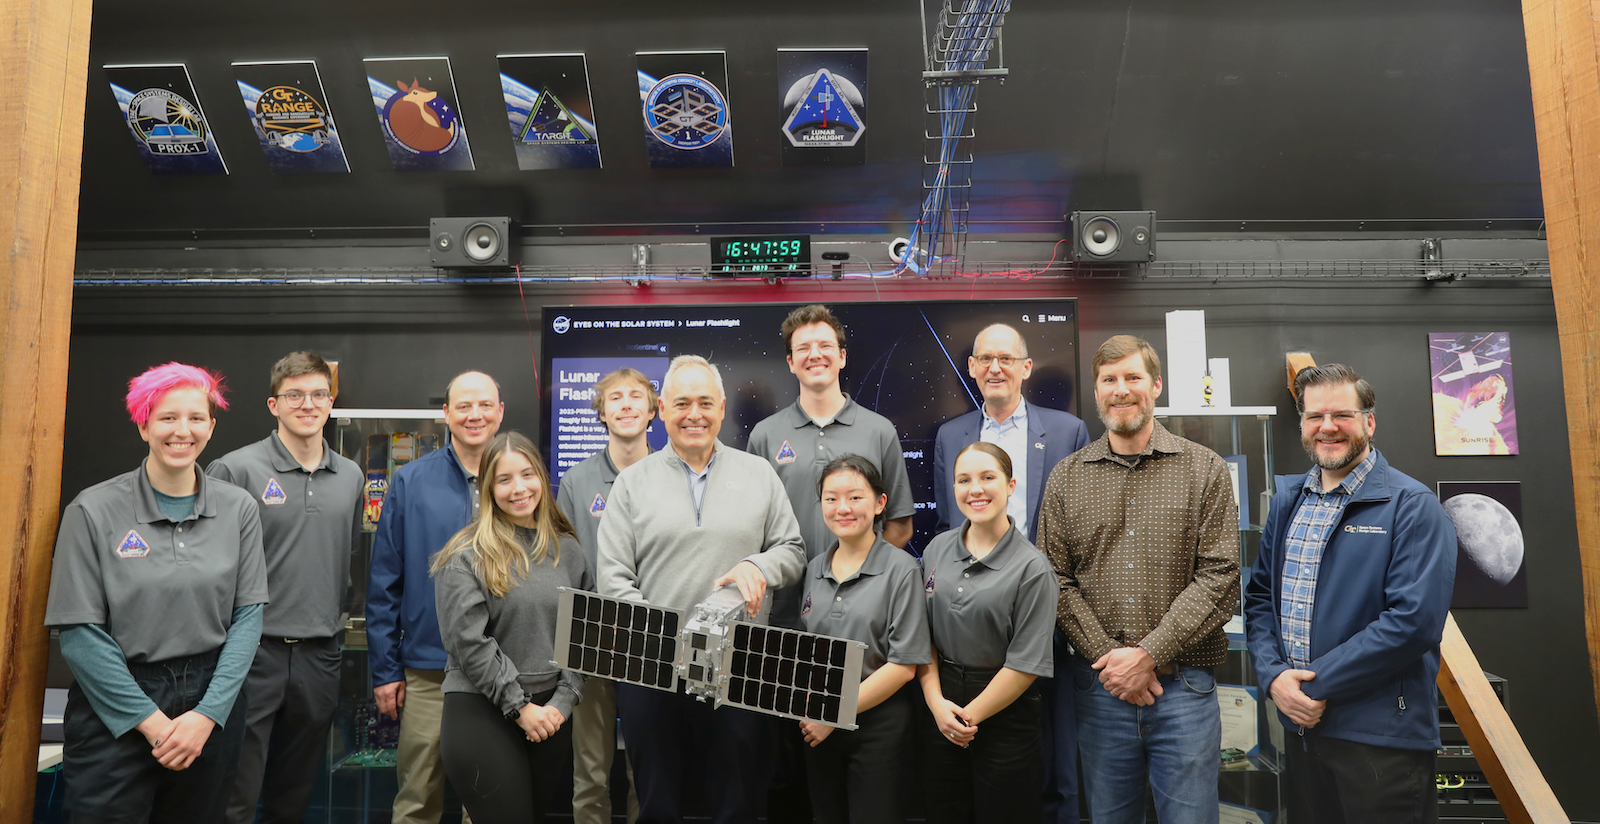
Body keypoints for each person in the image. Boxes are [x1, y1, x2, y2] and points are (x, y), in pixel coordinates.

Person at [45, 363, 268, 823]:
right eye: (167, 418)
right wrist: (153, 725)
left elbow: (248, 619)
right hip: (118, 703)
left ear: (211, 426)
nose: (182, 431)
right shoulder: (92, 509)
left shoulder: (238, 508)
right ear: (143, 423)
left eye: (196, 418)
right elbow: (79, 632)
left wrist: (206, 716)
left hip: (211, 702)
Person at [596, 354, 807, 824]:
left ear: (723, 407)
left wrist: (758, 564)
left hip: (740, 667)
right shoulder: (631, 484)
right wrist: (666, 639)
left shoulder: (760, 475)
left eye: (706, 402)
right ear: (663, 409)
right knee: (658, 804)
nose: (695, 413)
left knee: (738, 803)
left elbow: (792, 550)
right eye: (683, 402)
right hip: (652, 668)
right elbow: (613, 580)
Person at [1037, 334, 1239, 824]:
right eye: (1110, 380)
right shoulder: (1067, 476)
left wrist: (1148, 655)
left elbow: (1220, 576)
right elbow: (1054, 578)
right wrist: (1114, 664)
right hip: (1101, 692)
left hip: (1184, 693)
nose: (1121, 390)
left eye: (1133, 378)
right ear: (1097, 389)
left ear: (1157, 385)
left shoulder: (1204, 468)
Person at [1245, 364, 1457, 824]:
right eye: (1314, 416)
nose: (1327, 427)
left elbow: (1413, 622)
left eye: (1342, 414)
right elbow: (1260, 598)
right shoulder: (1289, 503)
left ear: (1369, 421)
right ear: (1302, 424)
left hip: (1382, 741)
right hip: (1304, 733)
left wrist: (1312, 686)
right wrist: (1274, 677)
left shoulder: (1411, 506)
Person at [930, 321, 1089, 823]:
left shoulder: (1067, 430)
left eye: (1006, 358)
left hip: (1046, 614)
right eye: (984, 359)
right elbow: (947, 522)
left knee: (1053, 757)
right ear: (972, 369)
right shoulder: (950, 434)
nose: (994, 367)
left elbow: (1079, 526)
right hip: (970, 624)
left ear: (1026, 367)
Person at [209, 351, 364, 824]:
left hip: (320, 654)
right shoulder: (235, 471)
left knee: (295, 796)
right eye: (294, 395)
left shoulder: (352, 476)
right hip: (252, 653)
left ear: (331, 403)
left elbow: (349, 557)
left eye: (318, 394)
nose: (307, 404)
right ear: (273, 405)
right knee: (234, 791)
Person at [433, 431, 593, 823]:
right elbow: (468, 641)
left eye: (527, 475)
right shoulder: (466, 553)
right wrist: (520, 707)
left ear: (541, 477)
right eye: (504, 479)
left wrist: (563, 701)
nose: (519, 488)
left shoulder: (567, 549)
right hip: (481, 712)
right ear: (488, 487)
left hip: (551, 716)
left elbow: (586, 633)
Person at [368, 370, 503, 824]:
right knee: (417, 799)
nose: (475, 415)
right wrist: (386, 669)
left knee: (486, 804)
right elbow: (385, 581)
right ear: (445, 414)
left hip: (502, 672)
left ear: (500, 412)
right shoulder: (411, 481)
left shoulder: (520, 479)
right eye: (463, 406)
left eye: (485, 405)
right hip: (428, 672)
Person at [748, 303, 915, 629]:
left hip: (864, 609)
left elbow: (900, 525)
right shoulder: (765, 436)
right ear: (790, 362)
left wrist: (860, 576)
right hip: (785, 610)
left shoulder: (879, 431)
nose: (815, 355)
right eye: (803, 348)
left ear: (841, 356)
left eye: (825, 346)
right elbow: (754, 530)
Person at [918, 442, 1059, 824]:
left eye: (987, 477)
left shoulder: (1033, 569)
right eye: (964, 480)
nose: (975, 489)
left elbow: (1026, 663)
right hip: (940, 709)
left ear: (1011, 485)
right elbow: (922, 639)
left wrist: (966, 719)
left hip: (1004, 717)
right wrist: (936, 705)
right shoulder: (935, 550)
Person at [798, 455, 930, 824]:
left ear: (880, 504)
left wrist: (832, 713)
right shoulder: (813, 570)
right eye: (831, 498)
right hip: (819, 728)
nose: (843, 508)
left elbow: (904, 666)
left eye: (855, 497)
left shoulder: (901, 570)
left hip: (879, 727)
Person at [555, 368, 653, 824]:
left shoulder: (670, 473)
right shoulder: (577, 481)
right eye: (616, 397)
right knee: (590, 770)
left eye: (637, 396)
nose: (627, 404)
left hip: (653, 645)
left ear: (654, 411)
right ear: (601, 412)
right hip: (592, 643)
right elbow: (566, 565)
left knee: (647, 770)